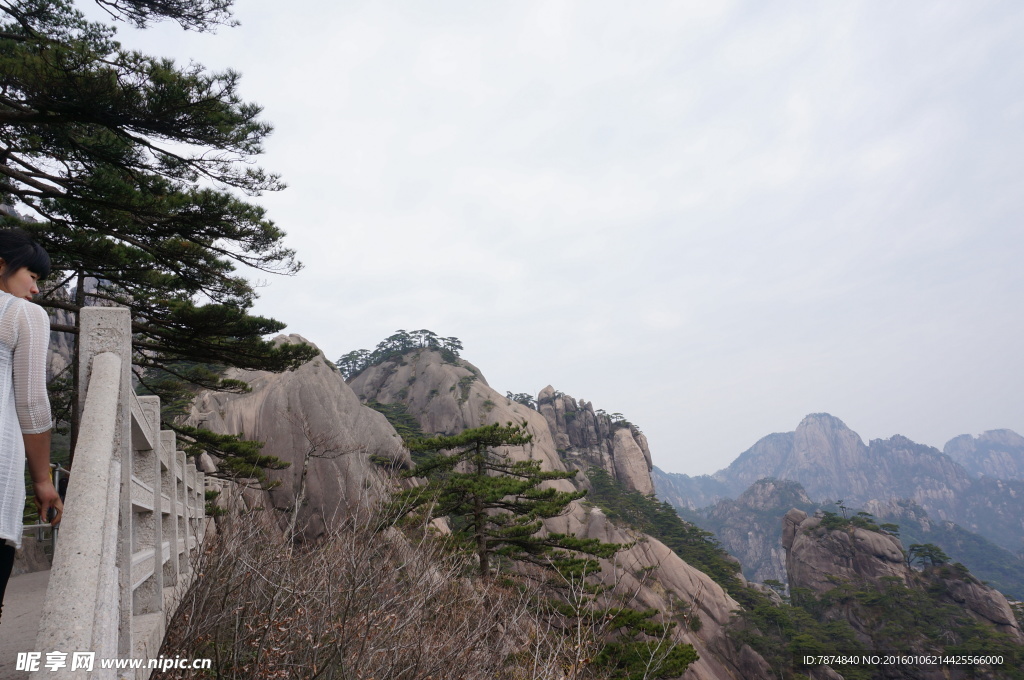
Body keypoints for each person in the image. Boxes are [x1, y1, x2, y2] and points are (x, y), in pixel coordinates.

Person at [0, 227, 62, 623]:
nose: (36, 290)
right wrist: (43, 482)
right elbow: (32, 404)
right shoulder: (21, 313)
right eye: (33, 277)